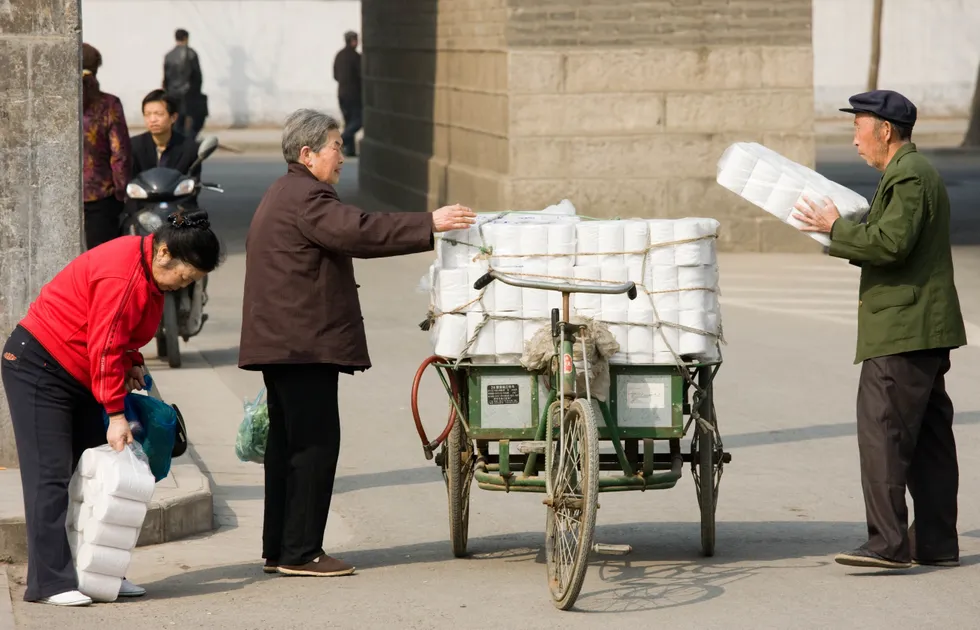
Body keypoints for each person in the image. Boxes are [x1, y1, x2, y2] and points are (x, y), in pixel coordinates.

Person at [238, 109, 475, 577]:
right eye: (335, 147)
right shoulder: (308, 197)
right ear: (307, 154)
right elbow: (360, 229)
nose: (342, 157)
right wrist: (430, 222)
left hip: (284, 342)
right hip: (301, 345)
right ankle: (302, 552)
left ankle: (281, 549)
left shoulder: (285, 191)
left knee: (287, 446)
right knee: (314, 446)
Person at [1, 210, 222, 606]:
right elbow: (103, 345)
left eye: (191, 282)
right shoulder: (123, 274)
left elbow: (118, 335)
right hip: (39, 367)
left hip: (79, 372)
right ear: (164, 253)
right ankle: (48, 583)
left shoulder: (147, 271)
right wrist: (117, 416)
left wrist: (133, 359)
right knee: (50, 477)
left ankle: (96, 575)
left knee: (92, 476)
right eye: (184, 277)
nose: (180, 286)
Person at [793, 89, 967, 570]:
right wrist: (847, 230)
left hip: (903, 329)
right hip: (920, 327)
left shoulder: (909, 174)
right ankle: (934, 542)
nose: (854, 140)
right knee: (929, 441)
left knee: (883, 434)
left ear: (884, 131)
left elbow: (891, 244)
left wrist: (834, 227)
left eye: (858, 127)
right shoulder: (908, 173)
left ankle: (887, 543)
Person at [81, 43, 132, 250]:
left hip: (59, 195)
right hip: (100, 197)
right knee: (100, 261)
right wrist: (121, 192)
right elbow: (120, 153)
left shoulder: (53, 103)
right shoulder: (109, 104)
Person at [130, 89, 201, 178]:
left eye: (159, 114)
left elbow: (194, 182)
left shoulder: (189, 148)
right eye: (147, 114)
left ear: (173, 117)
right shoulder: (134, 146)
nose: (152, 120)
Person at [163, 29, 207, 139]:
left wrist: (166, 92)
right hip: (190, 94)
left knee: (177, 121)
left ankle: (177, 143)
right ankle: (187, 143)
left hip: (173, 93)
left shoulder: (168, 55)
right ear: (186, 38)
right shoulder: (191, 54)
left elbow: (166, 77)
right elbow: (197, 76)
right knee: (194, 122)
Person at [332, 31, 362, 157]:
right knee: (359, 120)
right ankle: (341, 140)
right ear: (352, 41)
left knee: (349, 121)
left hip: (341, 93)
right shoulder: (355, 56)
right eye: (355, 40)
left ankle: (350, 150)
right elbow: (361, 75)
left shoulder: (339, 55)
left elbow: (335, 75)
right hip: (353, 94)